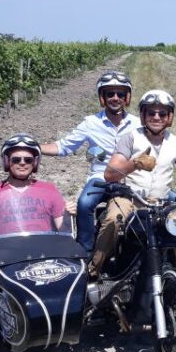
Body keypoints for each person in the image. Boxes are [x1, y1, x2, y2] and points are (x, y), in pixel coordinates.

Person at [90, 90, 176, 277]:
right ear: (143, 115)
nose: (156, 117)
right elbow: (110, 174)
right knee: (112, 220)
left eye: (162, 113)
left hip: (160, 202)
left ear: (170, 117)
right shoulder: (131, 138)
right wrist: (134, 164)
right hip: (129, 198)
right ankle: (94, 270)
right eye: (151, 113)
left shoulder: (175, 142)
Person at [39, 71, 140, 253]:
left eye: (120, 94)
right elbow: (64, 146)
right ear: (102, 97)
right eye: (110, 94)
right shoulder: (90, 123)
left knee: (164, 201)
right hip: (100, 177)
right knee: (84, 204)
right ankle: (85, 251)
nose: (115, 98)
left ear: (127, 97)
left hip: (131, 177)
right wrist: (33, 147)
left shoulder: (138, 124)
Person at [0, 134, 76, 274]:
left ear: (35, 163)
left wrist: (68, 216)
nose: (22, 163)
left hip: (44, 252)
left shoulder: (49, 190)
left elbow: (63, 232)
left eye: (28, 160)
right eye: (16, 160)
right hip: (5, 255)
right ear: (7, 162)